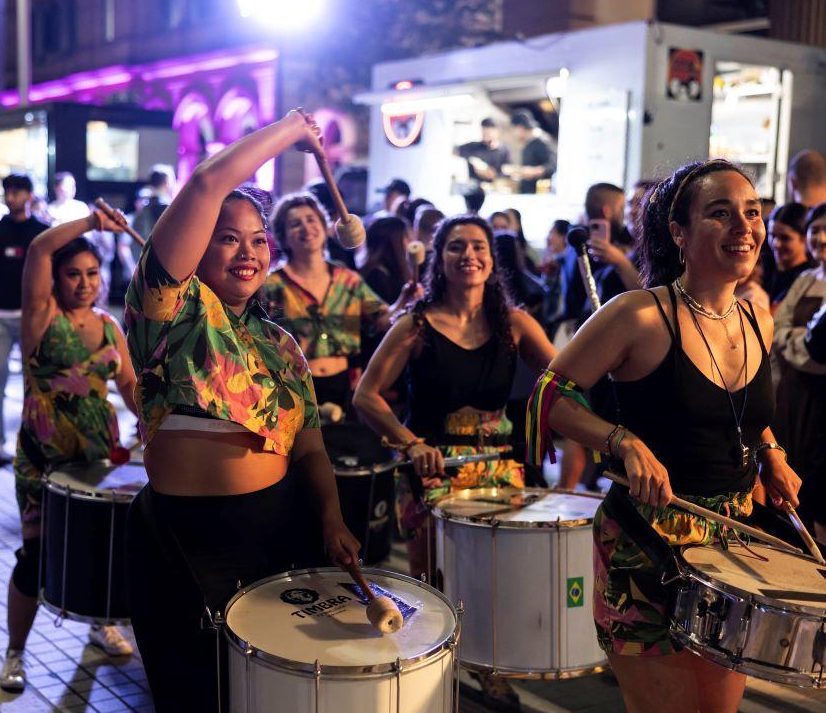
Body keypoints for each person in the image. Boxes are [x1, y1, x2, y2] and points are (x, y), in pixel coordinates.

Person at [528, 159, 801, 713]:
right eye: (719, 214)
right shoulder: (640, 315)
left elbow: (738, 408)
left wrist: (770, 451)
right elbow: (550, 394)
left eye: (752, 212)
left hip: (730, 546)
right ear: (678, 232)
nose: (744, 228)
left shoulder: (759, 318)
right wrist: (622, 441)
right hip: (644, 548)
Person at [123, 110, 359, 713]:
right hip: (181, 540)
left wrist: (331, 519)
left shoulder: (281, 343)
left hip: (275, 531)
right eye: (228, 237)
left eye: (258, 239)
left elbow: (308, 446)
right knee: (194, 697)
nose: (247, 252)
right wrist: (290, 129)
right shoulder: (167, 309)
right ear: (198, 242)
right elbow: (205, 184)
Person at [353, 215, 554, 710]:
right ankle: (426, 672)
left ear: (492, 258)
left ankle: (488, 664)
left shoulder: (515, 323)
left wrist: (545, 428)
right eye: (456, 247)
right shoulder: (415, 324)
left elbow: (562, 384)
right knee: (431, 582)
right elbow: (367, 396)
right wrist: (409, 441)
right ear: (438, 260)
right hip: (430, 471)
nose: (469, 255)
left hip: (500, 470)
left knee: (494, 578)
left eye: (479, 246)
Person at [0, 203, 140, 692]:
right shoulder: (41, 317)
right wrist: (93, 223)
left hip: (101, 461)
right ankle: (15, 654)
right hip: (43, 460)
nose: (84, 282)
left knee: (106, 549)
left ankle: (101, 623)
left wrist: (160, 420)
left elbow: (130, 389)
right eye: (73, 274)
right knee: (34, 559)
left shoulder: (109, 325)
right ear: (54, 280)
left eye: (93, 273)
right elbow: (39, 247)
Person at [262, 195, 413, 411]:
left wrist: (404, 300)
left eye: (311, 220)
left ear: (324, 227)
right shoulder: (272, 285)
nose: (306, 228)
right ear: (284, 237)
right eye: (295, 224)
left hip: (345, 385)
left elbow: (382, 321)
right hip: (292, 387)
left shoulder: (347, 279)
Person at [0, 174, 50, 466]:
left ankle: (36, 444)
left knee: (36, 383)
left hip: (32, 318)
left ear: (29, 195)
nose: (11, 196)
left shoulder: (42, 232)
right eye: (7, 191)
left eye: (17, 191)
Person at [771, 203, 826, 541]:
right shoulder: (806, 278)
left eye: (825, 229)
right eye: (814, 229)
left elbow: (818, 352)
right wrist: (798, 340)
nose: (819, 237)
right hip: (794, 396)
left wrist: (797, 340)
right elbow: (777, 330)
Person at [359, 215, 413, 304]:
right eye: (406, 237)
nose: (410, 242)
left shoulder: (388, 272)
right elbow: (381, 316)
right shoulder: (377, 277)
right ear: (395, 242)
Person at [767, 202, 812, 306]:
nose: (776, 244)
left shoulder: (807, 278)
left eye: (785, 238)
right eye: (772, 235)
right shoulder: (764, 267)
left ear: (804, 239)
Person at [508, 109, 556, 194]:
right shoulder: (528, 142)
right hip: (527, 191)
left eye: (514, 130)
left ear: (520, 127)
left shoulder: (543, 141)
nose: (514, 134)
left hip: (538, 193)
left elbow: (552, 166)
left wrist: (533, 171)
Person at [457, 117, 510, 184]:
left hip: (496, 188)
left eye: (488, 133)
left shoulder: (504, 150)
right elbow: (454, 150)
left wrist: (494, 175)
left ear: (497, 132)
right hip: (474, 188)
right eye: (483, 133)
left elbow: (507, 172)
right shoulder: (473, 147)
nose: (484, 136)